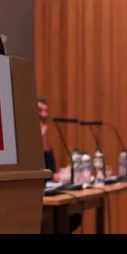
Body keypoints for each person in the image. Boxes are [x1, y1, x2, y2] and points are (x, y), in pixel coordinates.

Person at [38, 97, 83, 233]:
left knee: (75, 211)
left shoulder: (43, 136)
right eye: (39, 110)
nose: (44, 115)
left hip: (45, 197)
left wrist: (44, 141)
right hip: (30, 201)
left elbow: (50, 171)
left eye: (46, 111)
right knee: (60, 216)